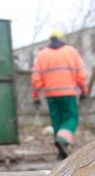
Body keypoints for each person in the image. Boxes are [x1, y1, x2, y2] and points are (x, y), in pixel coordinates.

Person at [31, 29, 88, 158]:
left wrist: (35, 95)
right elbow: (81, 73)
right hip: (68, 93)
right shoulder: (71, 52)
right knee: (71, 118)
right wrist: (84, 91)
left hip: (51, 95)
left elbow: (36, 77)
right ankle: (64, 142)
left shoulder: (42, 55)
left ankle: (61, 152)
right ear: (62, 39)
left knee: (57, 121)